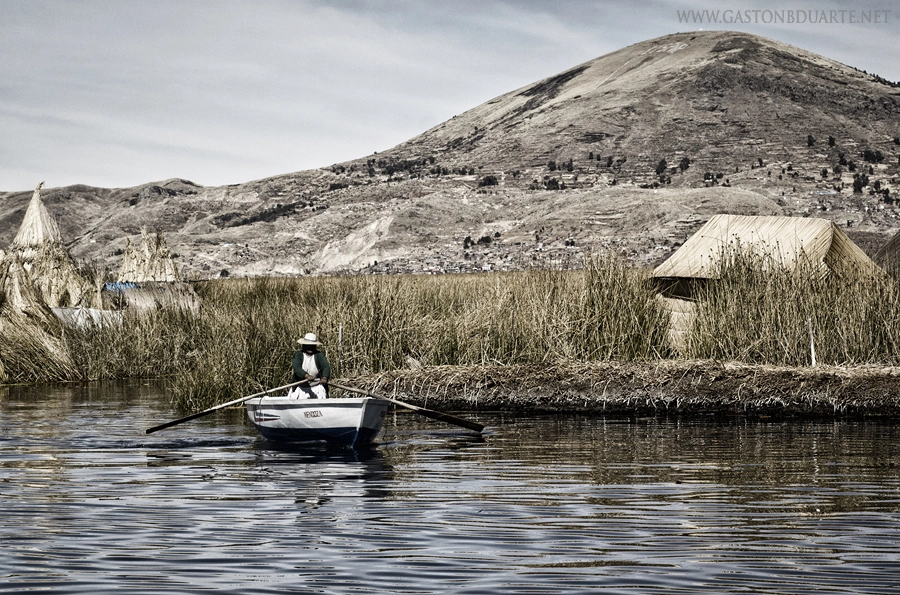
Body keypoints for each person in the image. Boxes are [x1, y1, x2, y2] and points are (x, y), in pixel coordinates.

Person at [290, 332, 331, 399]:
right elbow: (297, 368)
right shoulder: (298, 355)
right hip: (301, 388)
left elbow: (326, 367)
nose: (310, 347)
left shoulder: (319, 355)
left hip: (316, 387)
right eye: (308, 345)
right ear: (303, 345)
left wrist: (324, 377)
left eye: (312, 345)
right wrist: (306, 376)